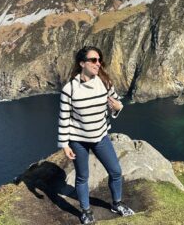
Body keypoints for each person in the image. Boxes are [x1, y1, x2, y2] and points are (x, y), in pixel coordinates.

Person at [57, 46, 135, 224]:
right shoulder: (69, 89)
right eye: (93, 60)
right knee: (83, 177)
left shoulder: (104, 83)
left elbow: (115, 103)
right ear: (82, 63)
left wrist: (117, 108)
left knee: (115, 171)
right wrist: (65, 145)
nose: (98, 63)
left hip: (100, 137)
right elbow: (64, 119)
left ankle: (117, 204)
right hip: (78, 140)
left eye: (99, 60)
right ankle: (85, 211)